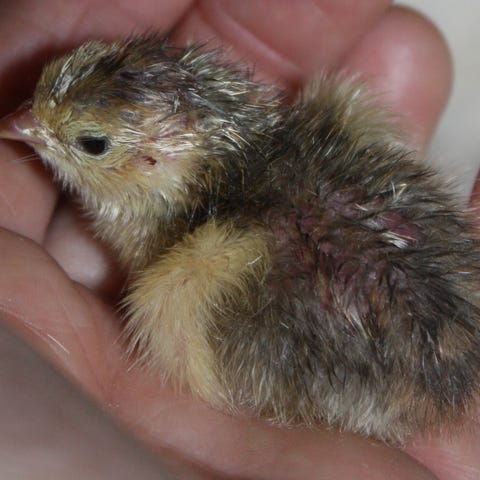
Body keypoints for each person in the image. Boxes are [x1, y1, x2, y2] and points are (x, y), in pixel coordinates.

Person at [0, 1, 476, 478]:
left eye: (93, 144)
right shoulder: (305, 143)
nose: (23, 122)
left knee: (178, 293)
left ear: (153, 162)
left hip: (400, 376)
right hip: (433, 350)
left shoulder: (202, 272)